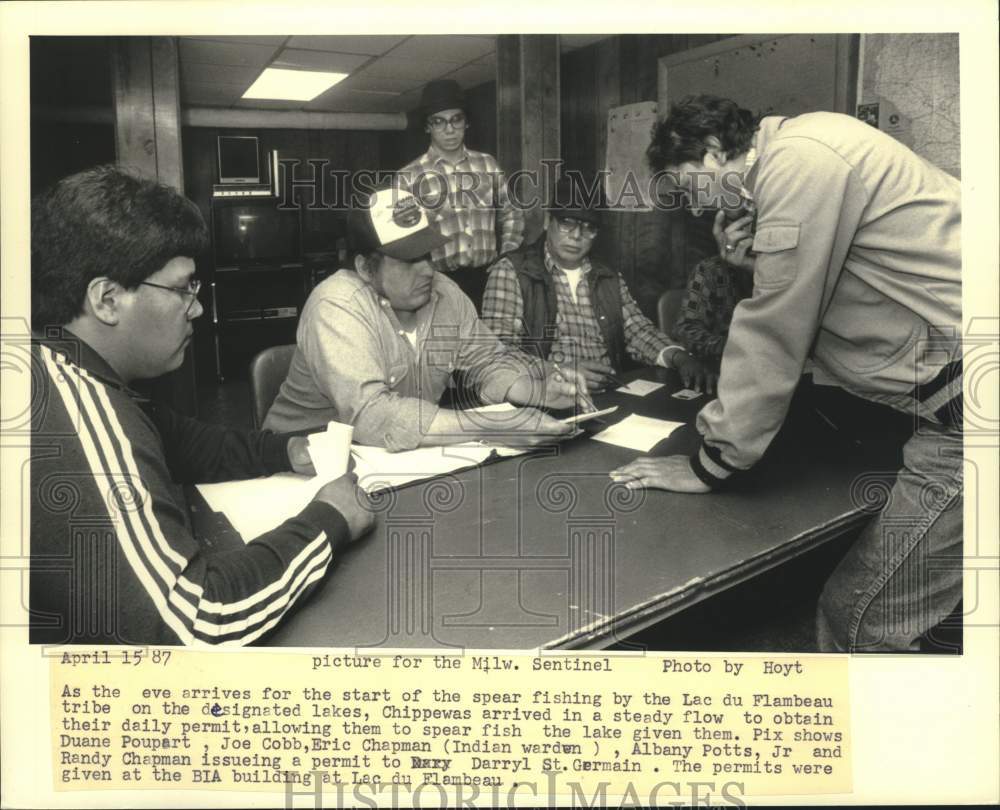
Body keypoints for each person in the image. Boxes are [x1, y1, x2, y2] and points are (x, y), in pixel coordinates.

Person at [613, 94, 962, 653]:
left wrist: (712, 464)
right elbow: (858, 289)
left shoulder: (799, 161)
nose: (698, 211)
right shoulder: (808, 145)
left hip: (970, 411)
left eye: (689, 189)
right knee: (923, 616)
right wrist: (753, 265)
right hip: (953, 393)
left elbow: (776, 327)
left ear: (710, 154)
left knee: (859, 620)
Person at [29, 166, 374, 646]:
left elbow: (182, 441)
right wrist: (329, 519)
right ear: (107, 299)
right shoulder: (70, 407)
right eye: (181, 288)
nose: (196, 308)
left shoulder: (65, 364)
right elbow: (194, 623)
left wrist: (283, 451)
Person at [263, 185, 590, 449]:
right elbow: (372, 414)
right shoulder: (336, 305)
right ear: (365, 267)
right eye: (408, 260)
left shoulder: (444, 292)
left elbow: (487, 361)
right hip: (301, 463)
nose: (427, 270)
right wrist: (492, 425)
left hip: (396, 460)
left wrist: (535, 390)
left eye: (428, 254)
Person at [482, 177, 714, 393]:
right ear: (547, 221)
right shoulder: (511, 270)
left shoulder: (607, 275)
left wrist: (679, 356)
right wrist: (558, 370)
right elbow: (498, 352)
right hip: (545, 396)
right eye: (566, 223)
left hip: (609, 395)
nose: (576, 236)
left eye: (588, 227)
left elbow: (638, 331)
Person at [396, 79, 524, 310]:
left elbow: (512, 214)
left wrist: (506, 258)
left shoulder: (488, 164)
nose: (449, 129)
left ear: (466, 123)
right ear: (427, 127)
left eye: (456, 119)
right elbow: (405, 239)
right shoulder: (409, 176)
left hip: (490, 278)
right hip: (439, 283)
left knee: (488, 342)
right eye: (439, 122)